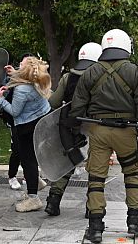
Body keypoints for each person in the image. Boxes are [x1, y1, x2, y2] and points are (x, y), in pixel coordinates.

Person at [69, 29, 138, 243]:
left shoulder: (90, 72)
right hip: (126, 132)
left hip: (98, 131)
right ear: (126, 46)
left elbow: (77, 106)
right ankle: (134, 222)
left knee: (96, 178)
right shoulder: (135, 72)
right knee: (132, 175)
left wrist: (75, 130)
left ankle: (95, 227)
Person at [44, 42, 102, 216]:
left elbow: (54, 103)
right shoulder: (102, 78)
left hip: (70, 126)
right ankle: (92, 207)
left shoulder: (68, 77)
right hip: (95, 126)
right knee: (96, 166)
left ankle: (53, 200)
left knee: (69, 161)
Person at [0, 57, 52, 212]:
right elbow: (24, 77)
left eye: (21, 65)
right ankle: (36, 182)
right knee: (28, 157)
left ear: (26, 69)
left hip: (27, 126)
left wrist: (1, 100)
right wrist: (14, 73)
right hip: (40, 121)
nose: (18, 66)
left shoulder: (22, 89)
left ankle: (33, 198)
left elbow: (15, 111)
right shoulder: (35, 81)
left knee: (28, 159)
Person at [4, 53, 36, 191]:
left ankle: (29, 177)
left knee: (29, 151)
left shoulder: (35, 80)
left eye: (23, 65)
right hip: (16, 122)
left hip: (30, 122)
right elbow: (13, 109)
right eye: (20, 64)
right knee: (17, 149)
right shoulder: (17, 83)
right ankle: (12, 176)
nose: (20, 66)